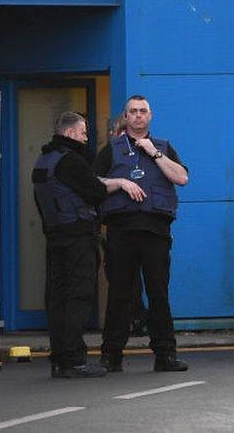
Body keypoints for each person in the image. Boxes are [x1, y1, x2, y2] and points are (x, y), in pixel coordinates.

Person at [94, 95, 189, 372]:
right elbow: (93, 182)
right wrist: (120, 182)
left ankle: (165, 355)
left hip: (156, 231)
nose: (137, 116)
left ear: (150, 116)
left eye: (142, 111)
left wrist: (154, 153)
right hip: (122, 231)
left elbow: (182, 177)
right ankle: (111, 355)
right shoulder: (110, 150)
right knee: (119, 293)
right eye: (132, 111)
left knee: (159, 293)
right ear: (125, 116)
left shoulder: (163, 147)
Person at [33, 111, 131, 378]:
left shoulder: (44, 161)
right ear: (70, 133)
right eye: (84, 132)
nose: (86, 137)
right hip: (78, 238)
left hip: (54, 237)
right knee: (78, 297)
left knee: (57, 299)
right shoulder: (72, 161)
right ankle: (74, 360)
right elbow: (96, 192)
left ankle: (59, 359)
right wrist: (120, 182)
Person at [107, 112, 149, 337]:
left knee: (132, 280)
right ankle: (130, 320)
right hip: (119, 225)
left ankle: (136, 318)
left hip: (136, 225)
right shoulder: (111, 155)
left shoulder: (143, 154)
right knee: (122, 280)